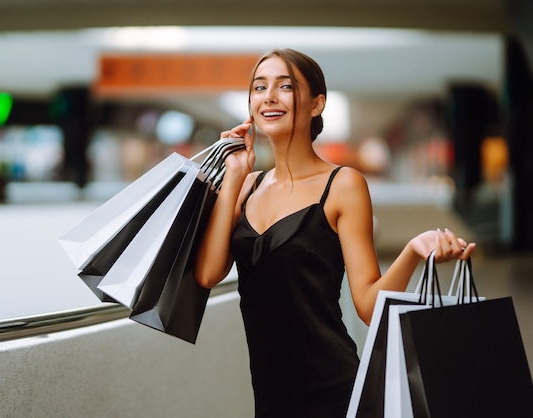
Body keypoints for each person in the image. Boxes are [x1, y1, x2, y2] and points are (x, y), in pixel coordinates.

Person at [194, 48, 476, 417]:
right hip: (270, 395)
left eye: (286, 86)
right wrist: (233, 176)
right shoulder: (246, 187)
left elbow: (369, 307)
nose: (269, 97)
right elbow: (208, 273)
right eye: (259, 87)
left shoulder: (343, 185)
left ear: (316, 104)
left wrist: (411, 251)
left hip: (335, 391)